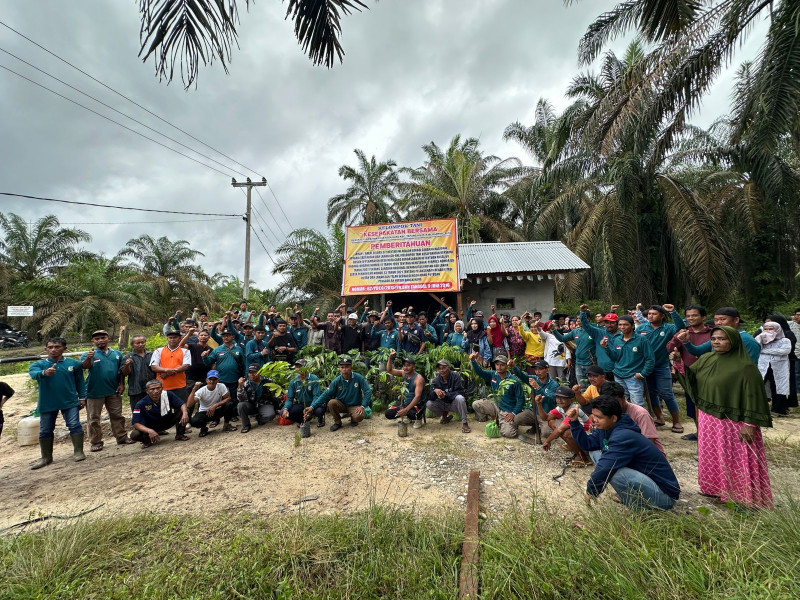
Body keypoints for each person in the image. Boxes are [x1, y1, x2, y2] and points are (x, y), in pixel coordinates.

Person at [677, 326, 772, 508]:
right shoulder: (707, 358)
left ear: (733, 341)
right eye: (714, 339)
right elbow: (692, 378)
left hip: (733, 422)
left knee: (733, 457)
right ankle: (715, 488)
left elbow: (753, 397)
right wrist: (679, 363)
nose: (716, 342)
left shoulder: (745, 367)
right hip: (708, 418)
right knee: (712, 454)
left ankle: (741, 496)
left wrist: (750, 424)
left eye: (722, 339)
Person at [569, 396, 680, 511]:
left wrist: (591, 490)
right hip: (647, 482)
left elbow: (606, 468)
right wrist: (574, 422)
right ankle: (632, 499)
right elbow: (588, 444)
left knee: (613, 471)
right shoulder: (605, 428)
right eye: (594, 415)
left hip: (664, 496)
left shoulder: (623, 436)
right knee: (595, 453)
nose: (594, 420)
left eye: (599, 417)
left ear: (613, 418)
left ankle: (640, 510)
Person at [28, 337, 87, 469]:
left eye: (57, 347)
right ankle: (46, 457)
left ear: (64, 349)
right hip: (47, 402)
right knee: (45, 430)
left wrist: (82, 397)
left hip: (69, 401)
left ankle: (78, 451)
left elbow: (80, 382)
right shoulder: (39, 365)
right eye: (50, 347)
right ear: (46, 349)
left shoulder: (74, 364)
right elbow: (33, 374)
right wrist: (44, 373)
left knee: (74, 425)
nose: (53, 350)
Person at [635, 304, 686, 434]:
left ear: (662, 316)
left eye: (654, 314)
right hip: (646, 367)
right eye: (649, 314)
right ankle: (659, 418)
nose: (650, 316)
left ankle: (676, 421)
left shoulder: (668, 328)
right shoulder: (641, 328)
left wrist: (673, 312)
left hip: (662, 366)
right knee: (651, 394)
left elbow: (681, 327)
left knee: (667, 394)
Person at [82, 330, 132, 452]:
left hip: (113, 390)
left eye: (103, 337)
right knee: (93, 418)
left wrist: (122, 384)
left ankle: (121, 437)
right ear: (93, 341)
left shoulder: (117, 354)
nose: (100, 340)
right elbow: (85, 366)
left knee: (117, 415)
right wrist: (89, 358)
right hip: (94, 391)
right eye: (97, 339)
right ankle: (96, 441)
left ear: (108, 338)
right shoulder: (89, 354)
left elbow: (121, 371)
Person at [667, 305, 711, 440]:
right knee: (692, 405)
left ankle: (709, 434)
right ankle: (699, 433)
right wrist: (677, 338)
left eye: (695, 315)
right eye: (688, 316)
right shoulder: (684, 332)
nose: (691, 318)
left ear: (703, 317)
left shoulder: (712, 333)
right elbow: (669, 347)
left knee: (707, 406)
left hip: (708, 373)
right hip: (688, 374)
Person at [601, 315, 654, 408]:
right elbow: (615, 358)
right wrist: (606, 348)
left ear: (632, 326)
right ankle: (625, 421)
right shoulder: (617, 339)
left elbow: (650, 358)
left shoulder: (641, 339)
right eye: (620, 325)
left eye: (625, 325)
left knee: (637, 403)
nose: (622, 327)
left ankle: (640, 422)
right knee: (621, 402)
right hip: (618, 375)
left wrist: (642, 374)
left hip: (633, 376)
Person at [307, 356, 372, 432]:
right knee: (331, 403)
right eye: (342, 367)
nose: (344, 369)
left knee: (358, 417)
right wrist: (312, 407)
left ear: (351, 367)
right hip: (342, 405)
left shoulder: (358, 377)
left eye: (347, 367)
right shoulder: (337, 381)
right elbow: (325, 394)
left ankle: (353, 419)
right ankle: (337, 422)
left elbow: (367, 391)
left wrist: (363, 406)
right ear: (339, 369)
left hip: (355, 405)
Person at [599, 381, 664, 454]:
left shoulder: (640, 414)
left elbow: (649, 442)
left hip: (646, 456)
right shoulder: (607, 413)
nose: (612, 405)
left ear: (623, 399)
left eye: (616, 402)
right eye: (608, 403)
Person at [676, 307, 760, 363]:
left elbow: (750, 367)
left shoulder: (747, 340)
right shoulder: (717, 338)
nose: (718, 323)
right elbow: (697, 351)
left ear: (736, 320)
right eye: (716, 320)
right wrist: (685, 342)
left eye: (722, 319)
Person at [470, 354, 525, 438]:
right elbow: (480, 372)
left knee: (509, 434)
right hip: (496, 406)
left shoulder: (514, 381)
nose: (499, 367)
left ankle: (511, 423)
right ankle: (497, 419)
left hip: (507, 411)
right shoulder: (493, 374)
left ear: (507, 365)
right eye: (497, 364)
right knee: (476, 404)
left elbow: (521, 399)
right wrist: (473, 361)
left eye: (502, 365)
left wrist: (513, 413)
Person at [537, 385, 591, 466]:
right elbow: (546, 417)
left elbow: (559, 430)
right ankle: (573, 446)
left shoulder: (574, 410)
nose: (559, 400)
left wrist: (547, 441)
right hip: (581, 436)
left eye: (563, 398)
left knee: (565, 432)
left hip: (589, 440)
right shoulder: (560, 408)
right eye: (557, 397)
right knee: (551, 422)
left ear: (571, 400)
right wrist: (539, 404)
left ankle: (583, 457)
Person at [130, 379, 189, 446]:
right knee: (134, 434)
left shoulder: (168, 394)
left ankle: (180, 434)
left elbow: (182, 404)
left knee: (184, 411)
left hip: (167, 421)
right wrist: (149, 431)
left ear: (162, 388)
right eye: (152, 389)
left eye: (158, 388)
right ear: (147, 391)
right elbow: (136, 423)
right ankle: (147, 441)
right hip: (151, 426)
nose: (156, 391)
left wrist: (185, 413)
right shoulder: (140, 404)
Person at [202, 329, 245, 412]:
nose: (226, 337)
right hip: (221, 379)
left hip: (235, 377)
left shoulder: (238, 349)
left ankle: (233, 414)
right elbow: (209, 363)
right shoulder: (217, 350)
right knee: (219, 398)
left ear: (233, 337)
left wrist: (244, 375)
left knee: (234, 397)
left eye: (228, 335)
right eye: (224, 336)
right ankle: (217, 417)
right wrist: (205, 357)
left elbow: (243, 364)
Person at [755, 321, 792, 417]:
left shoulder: (785, 341)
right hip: (763, 366)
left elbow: (785, 350)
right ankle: (757, 408)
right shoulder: (760, 339)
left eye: (771, 329)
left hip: (779, 367)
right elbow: (756, 348)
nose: (768, 331)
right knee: (758, 385)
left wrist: (764, 351)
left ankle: (779, 410)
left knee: (779, 387)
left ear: (777, 330)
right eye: (766, 329)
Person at [512, 359, 558, 436]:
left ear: (547, 370)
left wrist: (538, 387)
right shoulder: (534, 378)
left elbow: (550, 399)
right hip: (534, 411)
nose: (537, 372)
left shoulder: (553, 384)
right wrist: (513, 367)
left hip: (546, 414)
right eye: (536, 369)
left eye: (540, 369)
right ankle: (534, 425)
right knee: (517, 419)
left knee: (546, 433)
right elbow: (522, 376)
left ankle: (542, 426)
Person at [188, 370, 237, 436]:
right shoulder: (202, 390)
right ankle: (203, 428)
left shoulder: (221, 386)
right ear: (206, 380)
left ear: (218, 380)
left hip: (217, 410)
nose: (212, 381)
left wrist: (216, 405)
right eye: (210, 379)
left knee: (230, 404)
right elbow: (189, 404)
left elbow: (228, 398)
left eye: (214, 379)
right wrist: (194, 389)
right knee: (194, 422)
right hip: (205, 412)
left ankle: (226, 425)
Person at [427, 359, 470, 433]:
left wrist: (445, 394)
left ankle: (465, 423)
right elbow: (430, 397)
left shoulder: (455, 377)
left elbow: (460, 392)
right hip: (443, 404)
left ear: (449, 368)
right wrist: (435, 391)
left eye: (444, 368)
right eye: (439, 368)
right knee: (429, 404)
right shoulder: (436, 380)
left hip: (454, 404)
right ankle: (444, 417)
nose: (441, 370)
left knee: (460, 398)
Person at [550, 318, 595, 389]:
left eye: (581, 318)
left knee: (592, 386)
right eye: (578, 319)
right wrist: (553, 330)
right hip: (578, 363)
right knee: (582, 387)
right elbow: (562, 338)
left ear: (588, 319)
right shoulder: (575, 331)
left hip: (590, 363)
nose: (579, 320)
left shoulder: (593, 330)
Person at [384, 352, 426, 428]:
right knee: (388, 413)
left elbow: (417, 397)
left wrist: (406, 410)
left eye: (408, 365)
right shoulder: (404, 373)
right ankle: (408, 415)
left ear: (414, 367)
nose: (405, 368)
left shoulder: (418, 379)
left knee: (411, 413)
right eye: (404, 365)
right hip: (406, 403)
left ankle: (418, 418)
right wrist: (390, 357)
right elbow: (389, 370)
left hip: (417, 405)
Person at [579, 307, 621, 379]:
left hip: (619, 370)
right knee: (604, 390)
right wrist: (582, 312)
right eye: (607, 322)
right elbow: (586, 325)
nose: (609, 325)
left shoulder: (623, 335)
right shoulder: (599, 333)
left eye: (612, 322)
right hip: (603, 370)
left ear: (617, 323)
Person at [150, 330, 191, 402]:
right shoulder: (158, 351)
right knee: (164, 409)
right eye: (170, 337)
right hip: (162, 385)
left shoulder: (185, 351)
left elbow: (186, 366)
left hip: (180, 385)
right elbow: (154, 367)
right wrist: (166, 370)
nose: (172, 339)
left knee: (179, 408)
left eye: (175, 337)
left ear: (179, 339)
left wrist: (167, 373)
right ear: (167, 339)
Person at [283, 359, 324, 426]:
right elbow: (289, 398)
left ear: (306, 368)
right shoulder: (294, 381)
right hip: (302, 404)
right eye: (297, 366)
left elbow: (316, 396)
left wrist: (311, 407)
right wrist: (286, 408)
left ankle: (320, 418)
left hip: (314, 403)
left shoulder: (314, 379)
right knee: (285, 413)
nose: (298, 368)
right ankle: (303, 420)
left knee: (319, 411)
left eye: (300, 366)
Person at [237, 365, 277, 432]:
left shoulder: (268, 381)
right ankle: (246, 425)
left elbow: (275, 395)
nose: (252, 374)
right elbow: (241, 399)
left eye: (254, 372)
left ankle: (260, 418)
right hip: (252, 405)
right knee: (241, 405)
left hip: (264, 404)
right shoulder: (246, 383)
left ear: (260, 372)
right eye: (250, 372)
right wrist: (240, 386)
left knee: (271, 415)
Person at [120, 334, 153, 412]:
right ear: (132, 345)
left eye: (142, 342)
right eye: (137, 343)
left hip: (152, 388)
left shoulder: (151, 355)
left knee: (151, 410)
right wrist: (127, 365)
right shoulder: (128, 357)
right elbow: (124, 373)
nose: (141, 344)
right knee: (137, 411)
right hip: (136, 389)